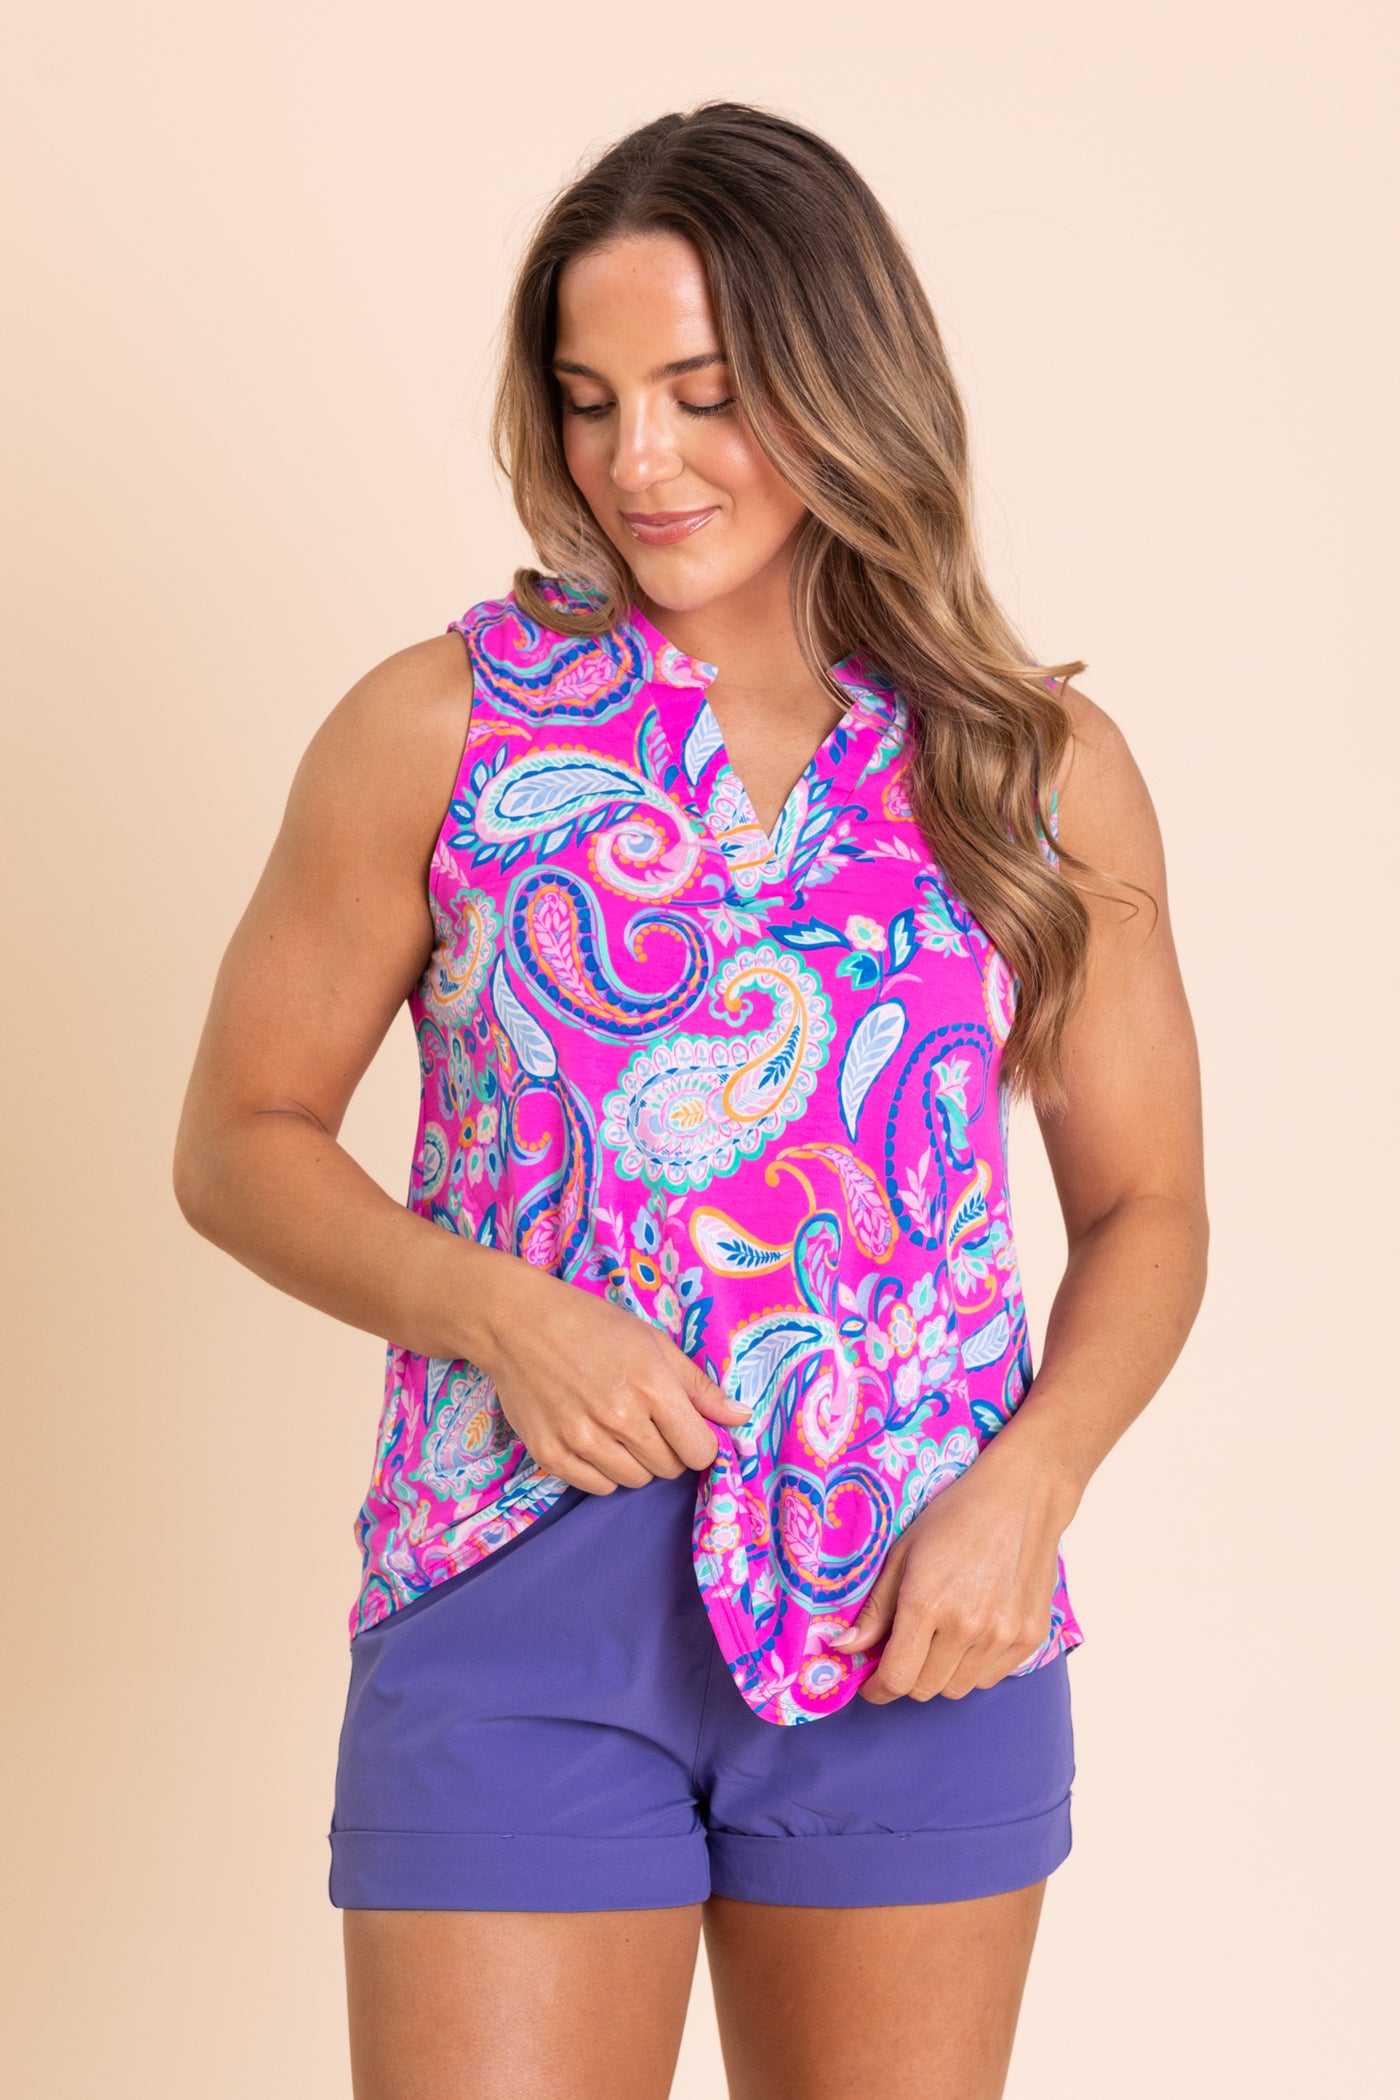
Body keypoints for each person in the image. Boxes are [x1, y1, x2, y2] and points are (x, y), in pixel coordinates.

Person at [173, 99, 1207, 2100]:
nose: (635, 459)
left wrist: (1032, 1486)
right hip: (513, 1599)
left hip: (917, 1609)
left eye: (702, 394)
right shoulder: (440, 728)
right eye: (589, 402)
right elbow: (238, 1138)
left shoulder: (1029, 766)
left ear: (841, 376)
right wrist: (498, 1311)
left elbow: (1147, 1208)